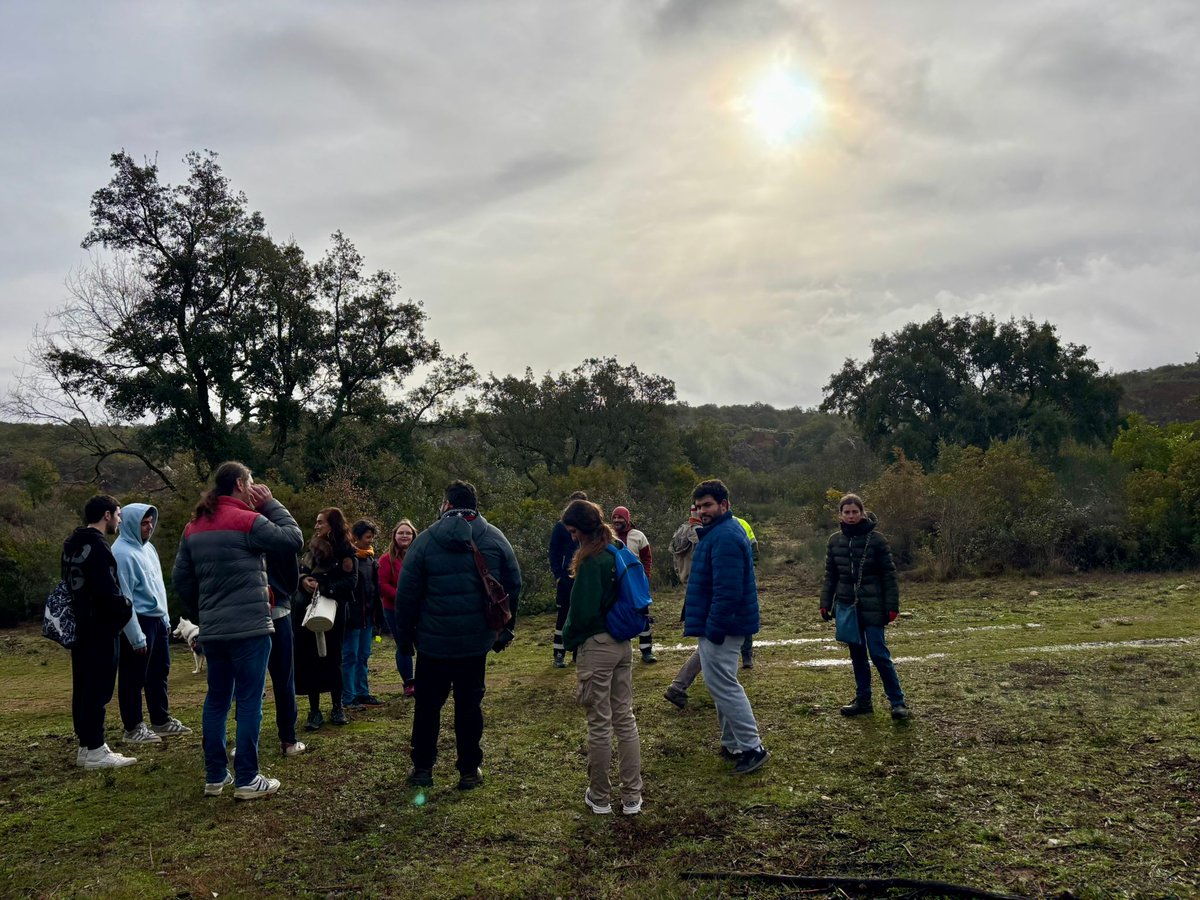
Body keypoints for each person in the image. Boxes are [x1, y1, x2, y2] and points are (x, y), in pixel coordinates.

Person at [173, 461, 304, 800]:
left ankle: (215, 775)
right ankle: (248, 778)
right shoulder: (249, 520)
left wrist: (205, 610)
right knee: (249, 700)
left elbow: (181, 579)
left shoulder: (193, 528)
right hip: (250, 628)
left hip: (213, 631)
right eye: (251, 481)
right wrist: (271, 503)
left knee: (216, 699)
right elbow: (293, 540)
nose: (253, 487)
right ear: (240, 484)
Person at [396, 480, 521, 791]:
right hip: (474, 642)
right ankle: (469, 769)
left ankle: (423, 769)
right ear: (474, 504)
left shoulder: (424, 541)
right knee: (469, 706)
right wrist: (504, 629)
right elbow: (513, 584)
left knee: (427, 706)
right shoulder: (493, 537)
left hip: (433, 643)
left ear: (447, 505)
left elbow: (406, 596)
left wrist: (405, 638)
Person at [560, 499, 643, 815]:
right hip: (623, 644)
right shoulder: (616, 549)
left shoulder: (592, 561)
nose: (571, 537)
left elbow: (579, 614)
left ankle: (600, 797)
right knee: (625, 719)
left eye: (572, 531)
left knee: (599, 723)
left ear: (582, 529)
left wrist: (568, 640)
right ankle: (633, 797)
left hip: (597, 647)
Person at [683, 479, 769, 775]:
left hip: (722, 624)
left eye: (708, 505)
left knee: (724, 686)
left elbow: (728, 591)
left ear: (724, 505)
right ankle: (733, 743)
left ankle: (752, 747)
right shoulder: (717, 534)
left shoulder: (726, 537)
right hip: (717, 622)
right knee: (719, 684)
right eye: (698, 506)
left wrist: (715, 627)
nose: (702, 510)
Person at [820, 493, 910, 720]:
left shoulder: (877, 540)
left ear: (862, 512)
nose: (851, 516)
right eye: (846, 512)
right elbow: (831, 575)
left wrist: (892, 606)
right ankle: (863, 700)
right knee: (857, 656)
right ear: (840, 514)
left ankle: (897, 702)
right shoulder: (834, 541)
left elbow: (889, 575)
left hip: (874, 606)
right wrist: (825, 602)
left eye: (855, 512)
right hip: (847, 606)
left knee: (879, 654)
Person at [63, 495, 136, 769]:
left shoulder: (71, 545)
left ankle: (86, 744)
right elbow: (108, 590)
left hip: (79, 625)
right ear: (107, 515)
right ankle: (95, 748)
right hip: (101, 628)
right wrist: (125, 607)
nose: (119, 519)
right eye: (117, 514)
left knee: (82, 685)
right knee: (99, 687)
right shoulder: (98, 547)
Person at [664, 505, 758, 708]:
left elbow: (675, 561)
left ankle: (685, 685)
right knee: (709, 642)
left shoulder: (680, 532)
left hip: (692, 587)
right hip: (706, 589)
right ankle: (679, 686)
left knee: (708, 643)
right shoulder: (704, 534)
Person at [114, 503, 191, 746]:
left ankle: (161, 719)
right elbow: (124, 597)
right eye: (143, 523)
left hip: (157, 621)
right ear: (129, 524)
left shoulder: (149, 549)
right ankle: (133, 727)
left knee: (159, 672)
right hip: (137, 621)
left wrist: (166, 619)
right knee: (133, 676)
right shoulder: (121, 553)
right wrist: (135, 635)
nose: (148, 527)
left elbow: (158, 587)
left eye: (150, 522)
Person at [293, 508, 357, 731]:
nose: (317, 526)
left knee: (334, 657)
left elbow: (351, 581)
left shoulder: (346, 550)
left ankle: (337, 707)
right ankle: (314, 711)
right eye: (317, 522)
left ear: (333, 524)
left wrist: (326, 587)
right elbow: (299, 572)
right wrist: (304, 581)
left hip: (334, 611)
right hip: (308, 609)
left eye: (321, 522)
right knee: (311, 658)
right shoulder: (311, 549)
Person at [265, 547, 305, 756]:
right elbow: (292, 578)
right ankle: (288, 740)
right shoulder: (278, 534)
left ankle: (244, 743)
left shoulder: (231, 530)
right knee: (284, 679)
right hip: (278, 610)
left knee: (247, 684)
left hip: (242, 616)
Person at [343, 519, 382, 710]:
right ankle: (348, 697)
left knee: (363, 655)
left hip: (367, 617)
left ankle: (362, 692)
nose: (370, 541)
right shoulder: (348, 559)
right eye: (367, 537)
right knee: (350, 655)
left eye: (372, 537)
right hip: (352, 617)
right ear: (356, 538)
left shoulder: (370, 560)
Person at [611, 505, 656, 664]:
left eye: (620, 517)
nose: (617, 520)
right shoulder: (608, 536)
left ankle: (647, 651)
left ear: (627, 519)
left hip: (636, 585)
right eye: (614, 517)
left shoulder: (638, 536)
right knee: (619, 616)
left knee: (642, 615)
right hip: (616, 585)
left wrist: (645, 577)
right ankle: (620, 653)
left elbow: (647, 558)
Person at [379, 519, 418, 696]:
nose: (404, 536)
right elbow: (381, 584)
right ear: (394, 536)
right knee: (403, 645)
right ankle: (409, 683)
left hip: (418, 609)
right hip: (394, 609)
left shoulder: (418, 555)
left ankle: (426, 679)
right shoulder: (386, 559)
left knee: (424, 643)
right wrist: (402, 596)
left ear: (413, 536)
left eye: (408, 533)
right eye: (401, 533)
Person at [548, 490, 587, 668]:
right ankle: (559, 653)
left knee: (581, 614)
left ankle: (578, 653)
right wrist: (558, 576)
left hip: (584, 578)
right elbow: (553, 552)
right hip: (566, 578)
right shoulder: (560, 527)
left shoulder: (590, 528)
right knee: (563, 615)